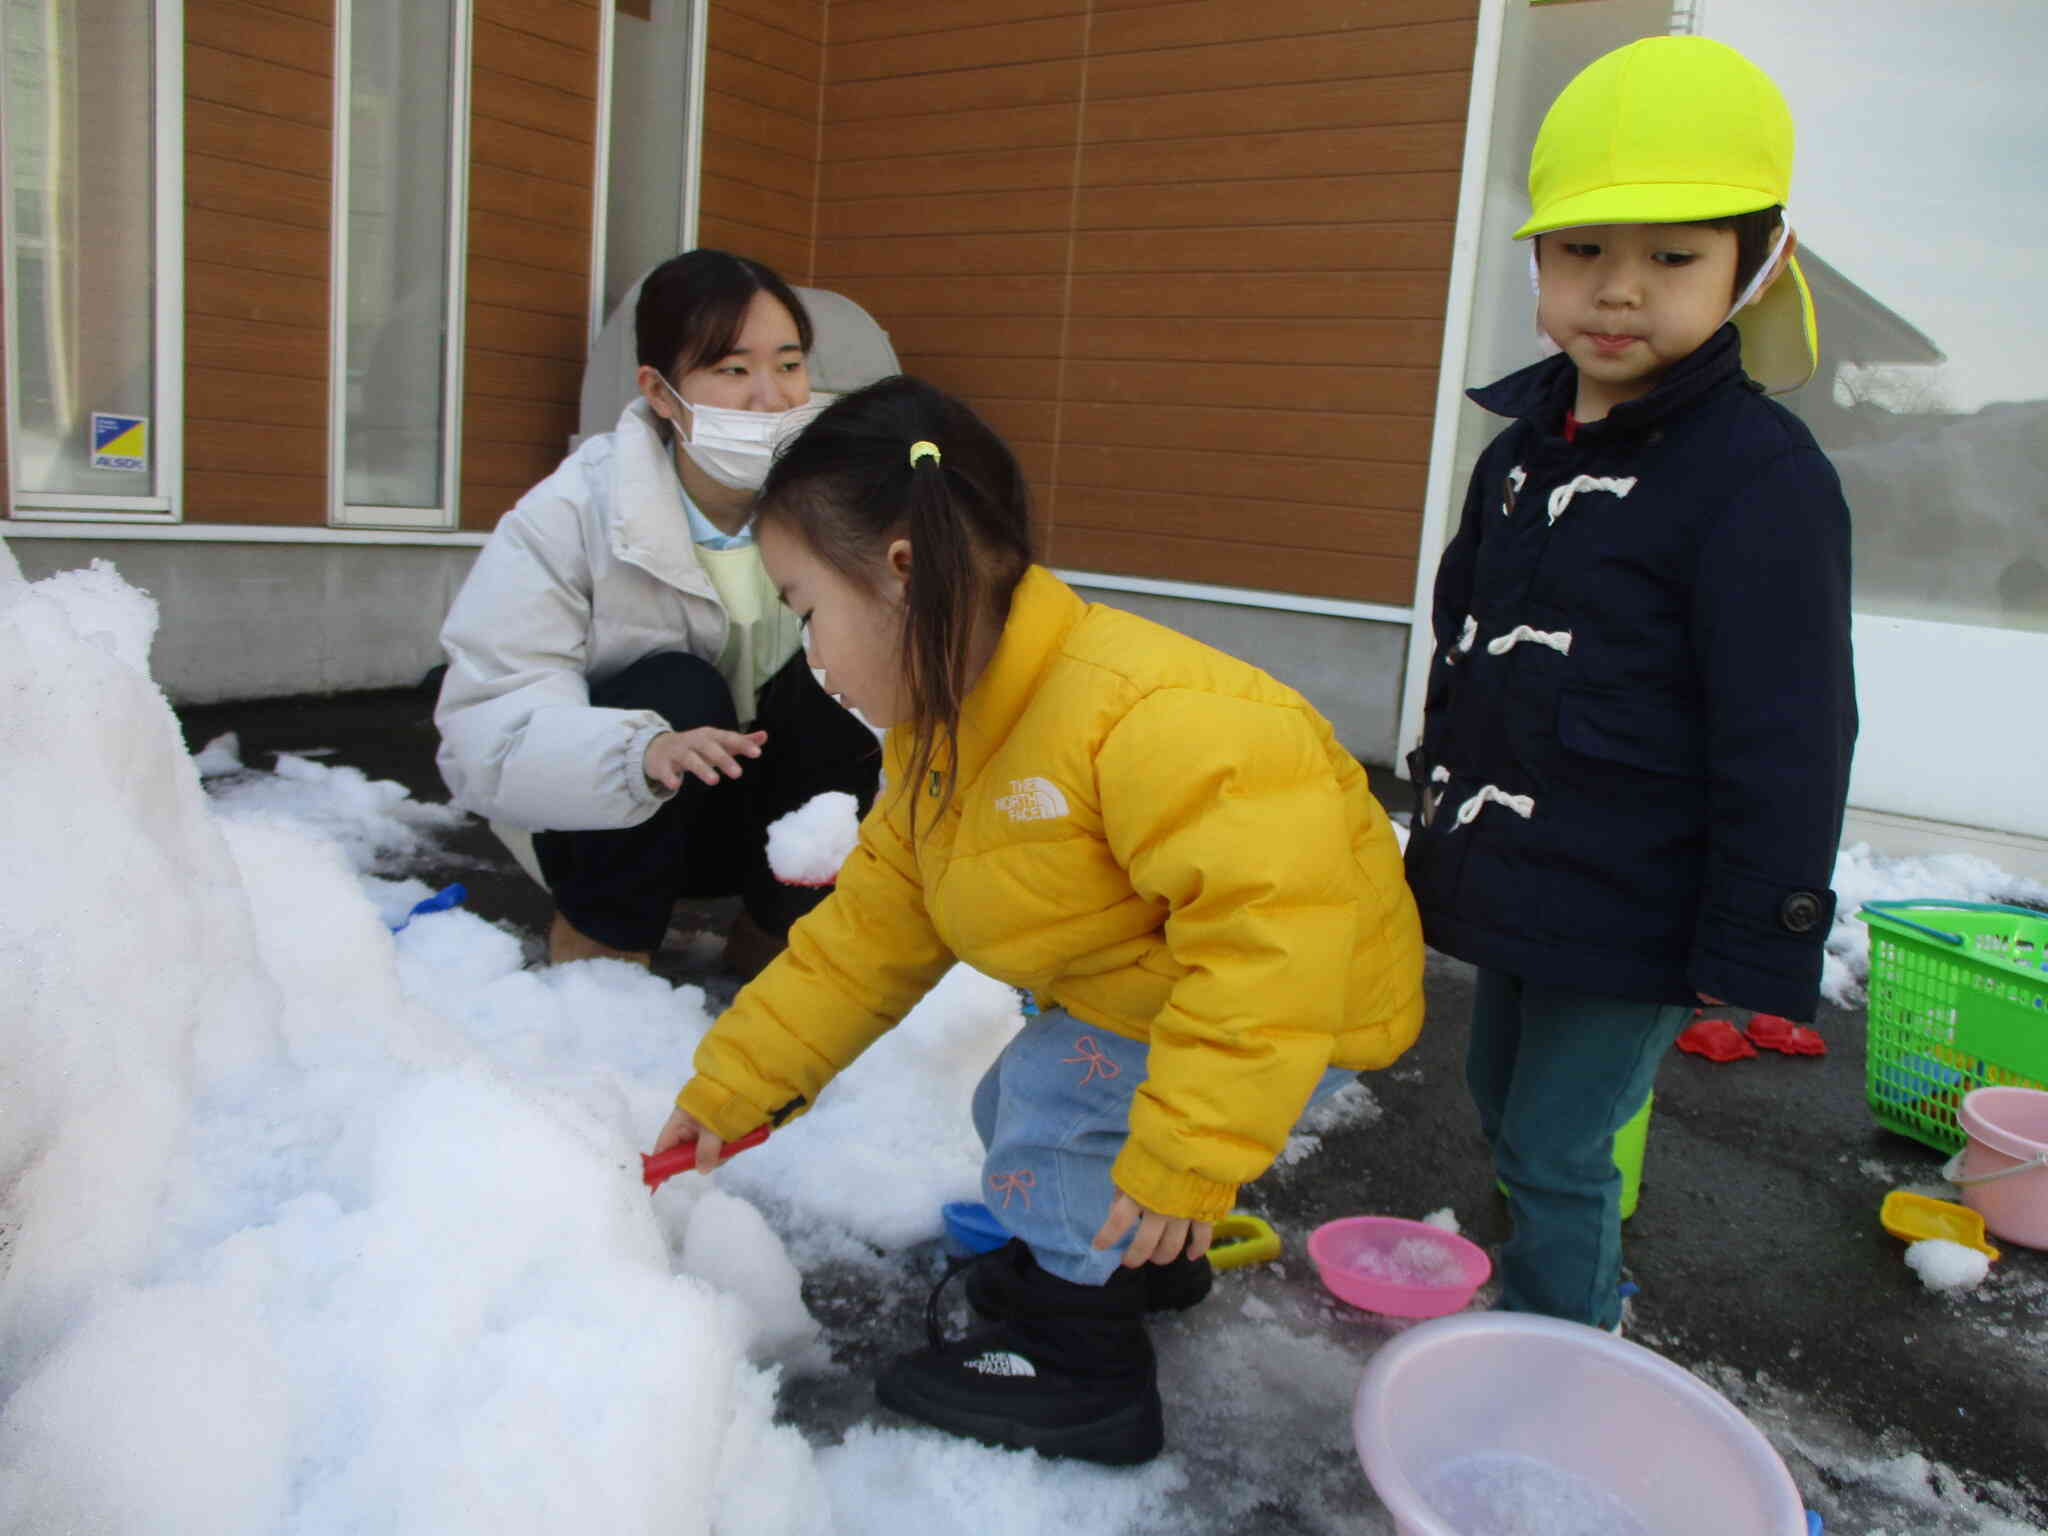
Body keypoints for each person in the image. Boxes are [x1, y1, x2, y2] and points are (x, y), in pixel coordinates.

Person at [649, 376, 1424, 1464]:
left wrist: (1189, 1157)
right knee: (1015, 1096)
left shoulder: (1149, 717)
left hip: (1294, 999)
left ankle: (1082, 1371)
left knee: (1053, 1120)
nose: (809, 657)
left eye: (807, 610)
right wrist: (734, 1086)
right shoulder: (943, 739)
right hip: (1170, 986)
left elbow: (1272, 945)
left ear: (903, 573)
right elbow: (864, 941)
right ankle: (1134, 1264)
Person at [1401, 37, 1858, 1332]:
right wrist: (1438, 830)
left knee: (1556, 1142)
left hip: (1644, 897)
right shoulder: (1519, 452)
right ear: (1538, 264)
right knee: (1498, 1103)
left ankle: (1564, 1353)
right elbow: (1467, 654)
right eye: (1582, 251)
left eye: (1671, 258)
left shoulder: (1758, 476)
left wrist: (1751, 936)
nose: (1616, 291)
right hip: (1524, 872)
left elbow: (1790, 731)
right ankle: (1544, 1302)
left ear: (1752, 263)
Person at [435, 250, 881, 971]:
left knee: (847, 678)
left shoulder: (840, 509)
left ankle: (780, 944)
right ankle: (602, 959)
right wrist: (635, 755)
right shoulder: (574, 513)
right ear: (660, 392)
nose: (771, 398)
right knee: (674, 688)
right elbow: (490, 726)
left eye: (790, 365)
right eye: (732, 370)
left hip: (765, 829)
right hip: (614, 823)